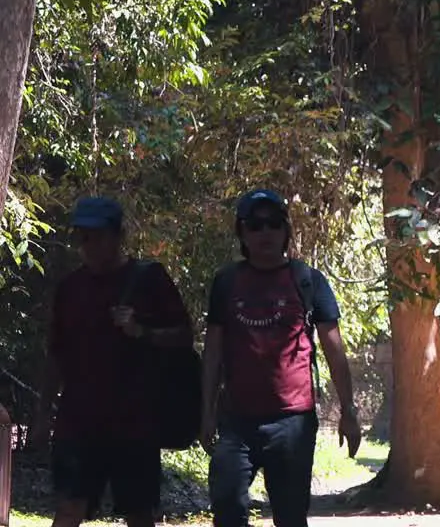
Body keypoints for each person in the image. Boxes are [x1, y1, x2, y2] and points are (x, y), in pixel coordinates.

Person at [201, 189, 361, 527]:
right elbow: (213, 351)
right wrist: (206, 413)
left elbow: (335, 351)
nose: (265, 233)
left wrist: (349, 411)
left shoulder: (308, 282)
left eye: (274, 223)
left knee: (290, 518)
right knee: (227, 511)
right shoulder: (226, 282)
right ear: (242, 233)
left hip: (292, 423)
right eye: (255, 225)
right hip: (236, 422)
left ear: (286, 230)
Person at [31, 197, 194, 527]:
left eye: (97, 236)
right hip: (78, 422)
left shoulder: (150, 280)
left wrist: (141, 331)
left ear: (118, 236)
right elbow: (56, 354)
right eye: (82, 236)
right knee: (69, 509)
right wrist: (43, 413)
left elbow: (183, 337)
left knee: (138, 513)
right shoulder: (70, 288)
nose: (88, 245)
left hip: (134, 424)